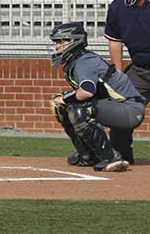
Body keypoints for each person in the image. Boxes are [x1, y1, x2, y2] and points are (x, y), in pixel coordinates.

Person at [49, 22, 145, 172]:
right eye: (57, 42)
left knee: (79, 109)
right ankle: (88, 156)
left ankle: (111, 158)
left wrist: (65, 98)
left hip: (130, 109)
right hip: (117, 106)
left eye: (62, 41)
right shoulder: (77, 60)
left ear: (75, 41)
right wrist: (65, 100)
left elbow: (87, 91)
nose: (57, 46)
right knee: (65, 108)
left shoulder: (84, 61)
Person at [104, 0, 150, 164]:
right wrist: (119, 74)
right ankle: (120, 154)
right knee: (122, 109)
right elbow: (115, 41)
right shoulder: (117, 6)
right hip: (140, 70)